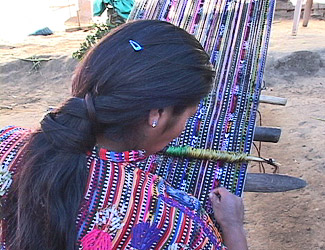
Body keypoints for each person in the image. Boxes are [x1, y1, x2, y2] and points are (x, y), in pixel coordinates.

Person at [0, 20, 247, 250]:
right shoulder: (178, 224)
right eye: (189, 116)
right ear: (157, 115)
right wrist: (233, 226)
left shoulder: (5, 141)